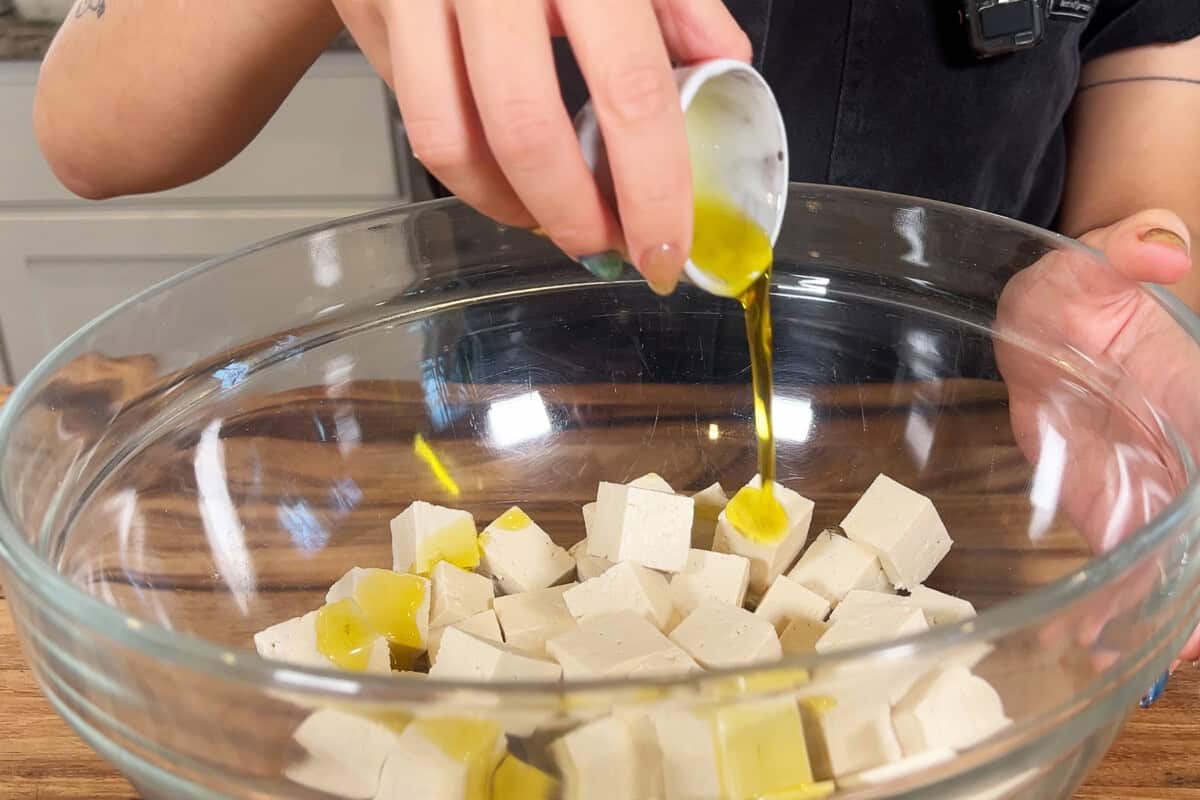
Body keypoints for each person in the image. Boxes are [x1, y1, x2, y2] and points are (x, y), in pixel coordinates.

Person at [31, 2, 1200, 668]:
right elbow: (89, 129)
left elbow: (1157, 82)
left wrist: (1127, 274)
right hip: (502, 448)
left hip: (988, 490)